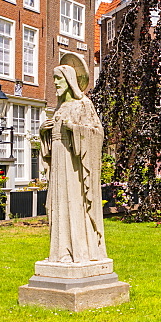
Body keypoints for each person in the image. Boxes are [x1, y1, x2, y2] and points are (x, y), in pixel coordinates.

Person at [39, 65, 107, 264]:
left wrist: (74, 129)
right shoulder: (60, 107)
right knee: (56, 203)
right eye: (54, 79)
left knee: (74, 203)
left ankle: (79, 250)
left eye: (58, 79)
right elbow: (53, 142)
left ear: (69, 80)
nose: (55, 84)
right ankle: (61, 252)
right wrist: (44, 132)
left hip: (74, 166)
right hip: (59, 163)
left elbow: (97, 133)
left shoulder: (83, 104)